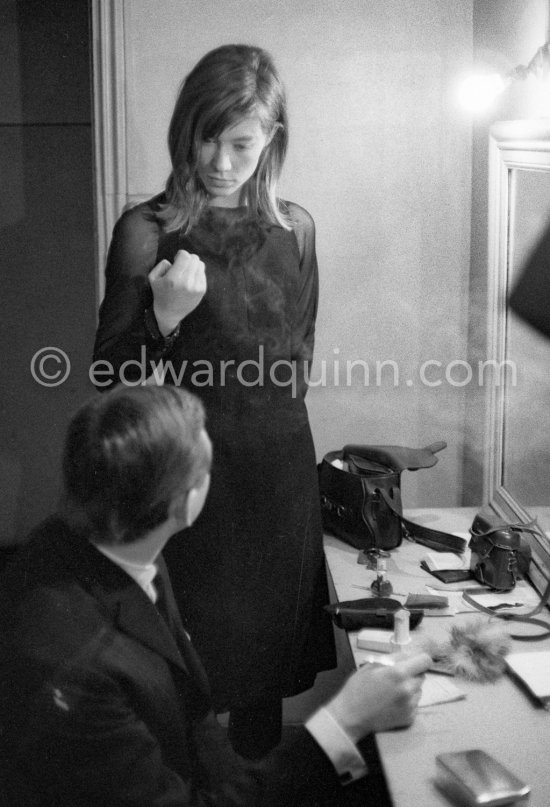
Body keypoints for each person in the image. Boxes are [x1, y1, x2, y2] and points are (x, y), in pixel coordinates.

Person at [0, 385, 431, 806]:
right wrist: (344, 720)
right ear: (184, 502)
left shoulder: (121, 536)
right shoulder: (76, 670)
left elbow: (196, 718)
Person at [92, 43, 336, 758]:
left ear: (271, 141)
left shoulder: (297, 228)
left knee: (263, 687)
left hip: (277, 486)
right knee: (184, 686)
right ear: (185, 129)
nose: (222, 160)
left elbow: (298, 357)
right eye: (208, 136)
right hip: (187, 487)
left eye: (243, 142)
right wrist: (161, 320)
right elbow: (111, 384)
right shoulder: (147, 231)